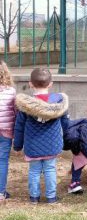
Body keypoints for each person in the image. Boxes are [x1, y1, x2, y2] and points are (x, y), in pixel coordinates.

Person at [13, 68, 69, 204]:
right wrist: (66, 139)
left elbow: (19, 127)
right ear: (50, 84)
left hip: (32, 145)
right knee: (50, 169)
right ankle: (51, 197)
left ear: (30, 84)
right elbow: (65, 123)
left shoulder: (25, 105)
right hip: (52, 144)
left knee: (34, 170)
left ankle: (34, 197)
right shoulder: (59, 103)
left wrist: (18, 145)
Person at [0, 61, 16, 203]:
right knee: (2, 160)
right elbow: (14, 112)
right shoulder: (11, 91)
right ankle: (0, 192)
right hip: (5, 132)